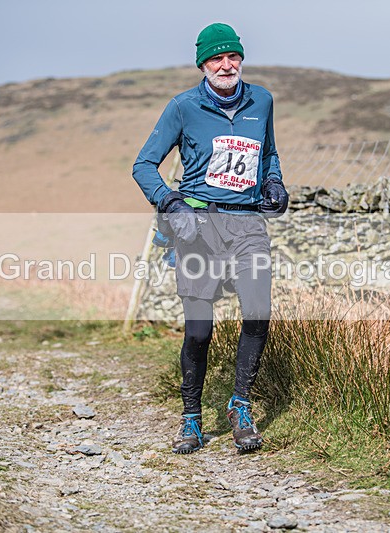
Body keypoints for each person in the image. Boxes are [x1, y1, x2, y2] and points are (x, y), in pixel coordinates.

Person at [132, 22, 288, 454]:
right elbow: (143, 165)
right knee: (200, 331)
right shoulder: (183, 107)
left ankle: (240, 406)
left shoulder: (262, 100)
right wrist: (171, 203)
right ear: (203, 64)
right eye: (216, 58)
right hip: (197, 227)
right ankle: (191, 418)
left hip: (248, 225)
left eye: (233, 56)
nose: (226, 64)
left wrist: (274, 181)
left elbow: (269, 154)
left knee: (258, 312)